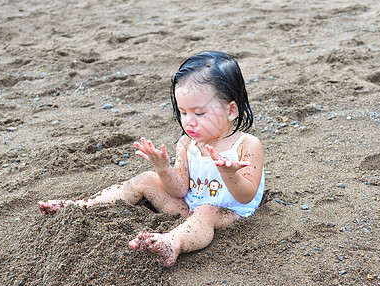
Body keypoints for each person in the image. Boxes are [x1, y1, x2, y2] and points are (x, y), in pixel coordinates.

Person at [38, 51, 265, 267]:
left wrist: (229, 174)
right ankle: (80, 206)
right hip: (189, 208)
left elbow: (246, 197)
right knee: (146, 179)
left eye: (199, 113)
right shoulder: (188, 143)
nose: (189, 122)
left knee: (206, 210)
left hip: (230, 215)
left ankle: (172, 243)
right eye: (183, 112)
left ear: (231, 111)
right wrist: (164, 169)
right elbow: (179, 190)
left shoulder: (246, 145)